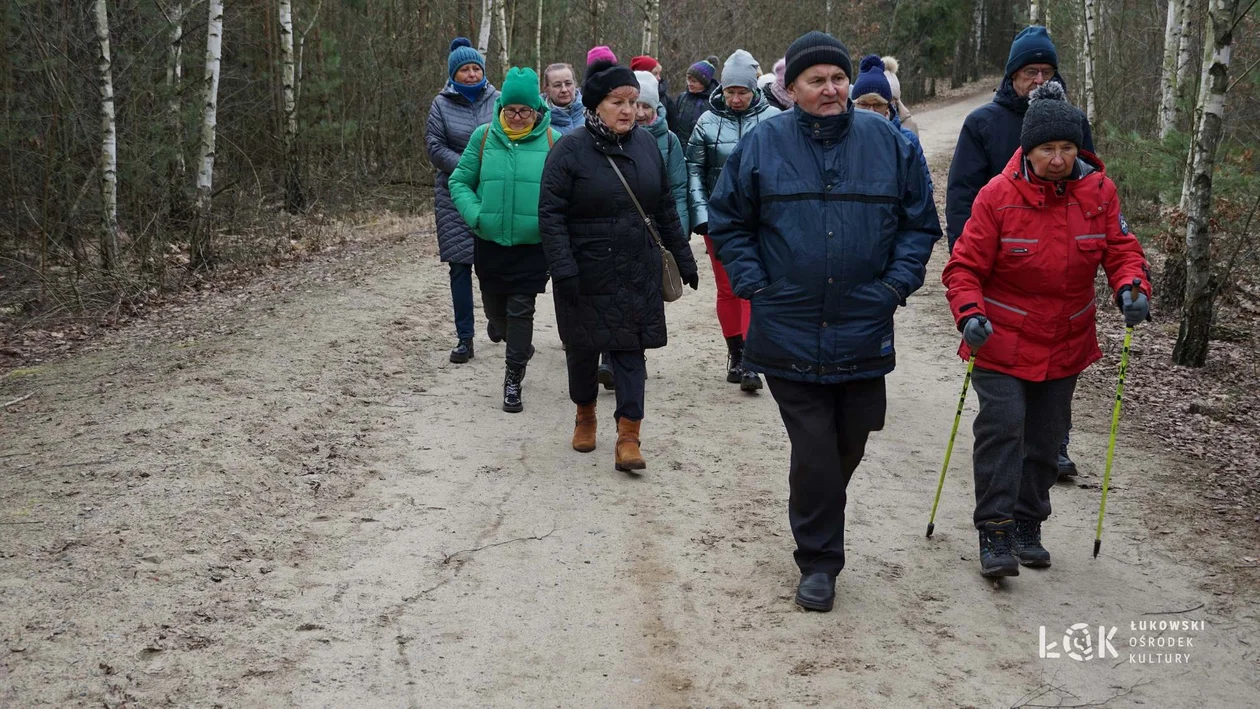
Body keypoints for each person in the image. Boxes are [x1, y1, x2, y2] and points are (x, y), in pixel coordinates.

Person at [707, 31, 940, 611]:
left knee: (851, 438)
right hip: (787, 321)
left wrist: (895, 285)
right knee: (813, 445)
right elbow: (728, 220)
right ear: (791, 89)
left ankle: (818, 515)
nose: (831, 89)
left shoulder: (891, 145)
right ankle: (818, 562)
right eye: (817, 80)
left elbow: (919, 224)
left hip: (863, 319)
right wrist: (755, 283)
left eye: (838, 78)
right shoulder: (762, 144)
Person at [941, 82, 1151, 578]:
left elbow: (1120, 249)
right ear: (1027, 150)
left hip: (1066, 339)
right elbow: (963, 267)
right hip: (997, 336)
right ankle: (994, 532)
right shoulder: (998, 195)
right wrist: (970, 314)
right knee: (1004, 427)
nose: (1057, 159)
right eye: (1046, 150)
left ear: (1079, 148)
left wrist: (1131, 286)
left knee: (1045, 438)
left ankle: (1027, 524)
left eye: (1067, 148)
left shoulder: (1099, 191)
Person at [946, 25, 1096, 479]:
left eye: (1046, 70)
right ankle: (1005, 466)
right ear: (1012, 74)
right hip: (996, 268)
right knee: (1006, 395)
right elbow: (961, 196)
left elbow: (1089, 189)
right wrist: (965, 267)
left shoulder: (1073, 122)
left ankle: (1052, 447)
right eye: (1029, 70)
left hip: (1057, 273)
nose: (1037, 78)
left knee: (1052, 382)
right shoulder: (983, 124)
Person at [539, 60, 700, 472]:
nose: (630, 110)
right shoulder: (568, 150)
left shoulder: (646, 145)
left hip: (636, 269)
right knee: (582, 350)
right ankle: (585, 415)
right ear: (595, 106)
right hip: (586, 271)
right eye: (618, 102)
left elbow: (663, 206)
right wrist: (564, 268)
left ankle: (629, 435)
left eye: (634, 101)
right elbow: (551, 214)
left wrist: (684, 258)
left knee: (631, 353)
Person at [449, 67, 561, 413]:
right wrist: (476, 215)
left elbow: (563, 193)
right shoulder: (483, 137)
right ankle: (510, 336)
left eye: (524, 111)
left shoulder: (552, 142)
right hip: (490, 242)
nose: (516, 117)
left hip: (532, 247)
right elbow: (459, 182)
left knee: (520, 310)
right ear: (501, 108)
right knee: (496, 314)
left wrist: (550, 224)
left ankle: (513, 380)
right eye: (510, 110)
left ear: (536, 111)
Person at [686, 50, 781, 392]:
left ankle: (754, 360)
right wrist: (701, 214)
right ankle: (736, 354)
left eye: (742, 91)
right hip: (720, 221)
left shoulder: (774, 118)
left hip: (762, 221)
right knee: (728, 288)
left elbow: (786, 171)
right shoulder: (707, 122)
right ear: (722, 90)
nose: (737, 98)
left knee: (755, 287)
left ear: (754, 89)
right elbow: (694, 170)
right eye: (731, 92)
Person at [425, 38, 500, 363]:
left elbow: (509, 134)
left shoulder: (498, 99)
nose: (471, 74)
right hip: (454, 193)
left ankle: (499, 319)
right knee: (460, 266)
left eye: (475, 68)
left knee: (494, 264)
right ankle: (465, 338)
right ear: (453, 74)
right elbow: (434, 147)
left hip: (493, 191)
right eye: (464, 69)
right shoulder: (440, 105)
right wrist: (469, 168)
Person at [851, 55, 931, 191]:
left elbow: (921, 189)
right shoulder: (843, 138)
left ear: (888, 106)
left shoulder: (906, 139)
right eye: (864, 104)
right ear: (854, 104)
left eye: (877, 104)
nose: (871, 111)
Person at [669, 55, 720, 145]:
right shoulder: (682, 98)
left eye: (694, 81)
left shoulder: (715, 101)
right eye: (688, 80)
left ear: (704, 82)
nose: (690, 84)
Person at [542, 63, 585, 135]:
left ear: (575, 84)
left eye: (568, 84)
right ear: (546, 89)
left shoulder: (592, 112)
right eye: (557, 85)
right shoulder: (540, 121)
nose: (564, 90)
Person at [881, 56, 917, 136]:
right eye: (882, 99)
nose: (887, 104)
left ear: (897, 99)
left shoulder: (910, 123)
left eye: (891, 99)